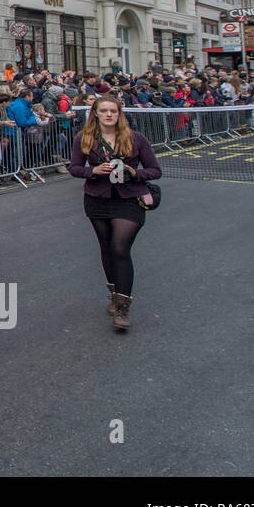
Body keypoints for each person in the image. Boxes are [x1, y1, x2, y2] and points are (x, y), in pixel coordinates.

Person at [68, 95, 162, 331]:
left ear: (119, 114)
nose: (109, 114)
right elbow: (75, 168)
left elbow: (154, 170)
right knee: (107, 248)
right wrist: (94, 170)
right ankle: (113, 292)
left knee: (120, 248)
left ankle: (123, 306)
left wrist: (134, 172)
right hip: (97, 198)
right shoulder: (85, 138)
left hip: (129, 198)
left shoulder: (136, 139)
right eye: (104, 111)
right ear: (96, 114)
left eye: (113, 111)